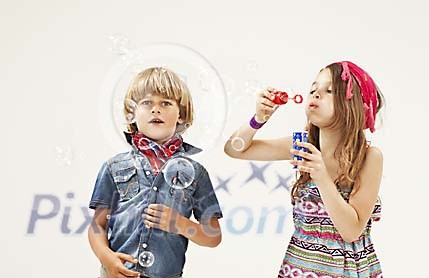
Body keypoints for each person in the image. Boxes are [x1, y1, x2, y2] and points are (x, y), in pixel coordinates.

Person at [224, 61, 384, 277]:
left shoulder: (368, 157)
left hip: (346, 271)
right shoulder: (303, 145)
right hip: (299, 267)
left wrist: (321, 176)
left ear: (354, 104)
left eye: (329, 90)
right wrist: (258, 119)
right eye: (313, 89)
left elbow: (351, 230)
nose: (316, 94)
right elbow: (235, 150)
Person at [88, 67, 223, 278]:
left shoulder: (195, 173)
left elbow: (213, 236)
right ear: (131, 114)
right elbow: (97, 225)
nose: (155, 110)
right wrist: (107, 257)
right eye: (146, 102)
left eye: (166, 103)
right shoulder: (114, 166)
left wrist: (181, 224)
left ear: (181, 115)